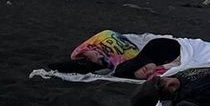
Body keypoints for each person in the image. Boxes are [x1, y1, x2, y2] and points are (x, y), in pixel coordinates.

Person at [48, 31, 181, 77]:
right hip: (145, 49)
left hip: (136, 41)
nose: (100, 58)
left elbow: (75, 55)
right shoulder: (115, 64)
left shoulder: (84, 49)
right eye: (101, 61)